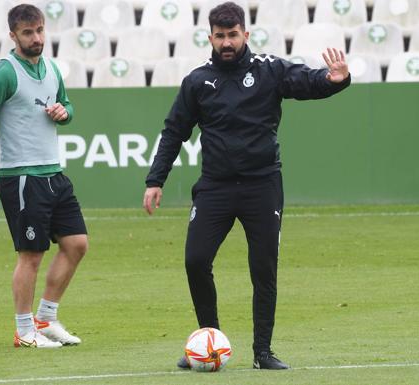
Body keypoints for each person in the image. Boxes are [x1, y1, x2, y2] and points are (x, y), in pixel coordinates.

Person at [143, 1, 350, 369]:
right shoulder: (196, 81)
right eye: (220, 36)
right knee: (195, 260)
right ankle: (210, 342)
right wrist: (155, 179)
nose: (227, 42)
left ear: (246, 34)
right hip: (215, 187)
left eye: (233, 35)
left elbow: (306, 81)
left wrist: (333, 80)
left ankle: (262, 353)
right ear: (210, 37)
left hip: (262, 185)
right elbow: (175, 131)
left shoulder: (269, 69)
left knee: (263, 268)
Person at [0, 4, 88, 349]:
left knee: (77, 244)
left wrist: (64, 113)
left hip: (54, 172)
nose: (36, 38)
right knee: (31, 255)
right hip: (22, 177)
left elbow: (67, 106)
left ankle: (45, 320)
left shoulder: (52, 67)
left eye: (39, 31)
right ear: (13, 36)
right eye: (27, 33)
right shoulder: (4, 73)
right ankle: (24, 331)